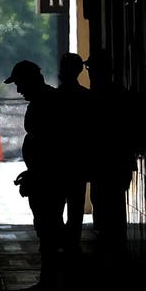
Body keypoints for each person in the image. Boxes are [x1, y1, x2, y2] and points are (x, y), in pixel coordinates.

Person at [4, 59, 71, 291]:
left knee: (48, 229)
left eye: (20, 84)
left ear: (30, 80)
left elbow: (50, 145)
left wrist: (37, 173)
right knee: (49, 228)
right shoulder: (47, 99)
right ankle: (53, 280)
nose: (18, 89)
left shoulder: (46, 102)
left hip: (48, 178)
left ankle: (52, 282)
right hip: (45, 175)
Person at [84, 50, 142, 252]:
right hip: (119, 161)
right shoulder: (121, 95)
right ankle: (114, 248)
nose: (89, 72)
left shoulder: (96, 98)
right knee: (114, 205)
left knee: (105, 205)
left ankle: (110, 249)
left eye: (90, 68)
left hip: (105, 162)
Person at [56, 52, 93, 256]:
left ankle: (63, 241)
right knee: (75, 206)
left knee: (56, 207)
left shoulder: (55, 99)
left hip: (59, 161)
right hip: (78, 162)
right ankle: (72, 243)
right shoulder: (87, 98)